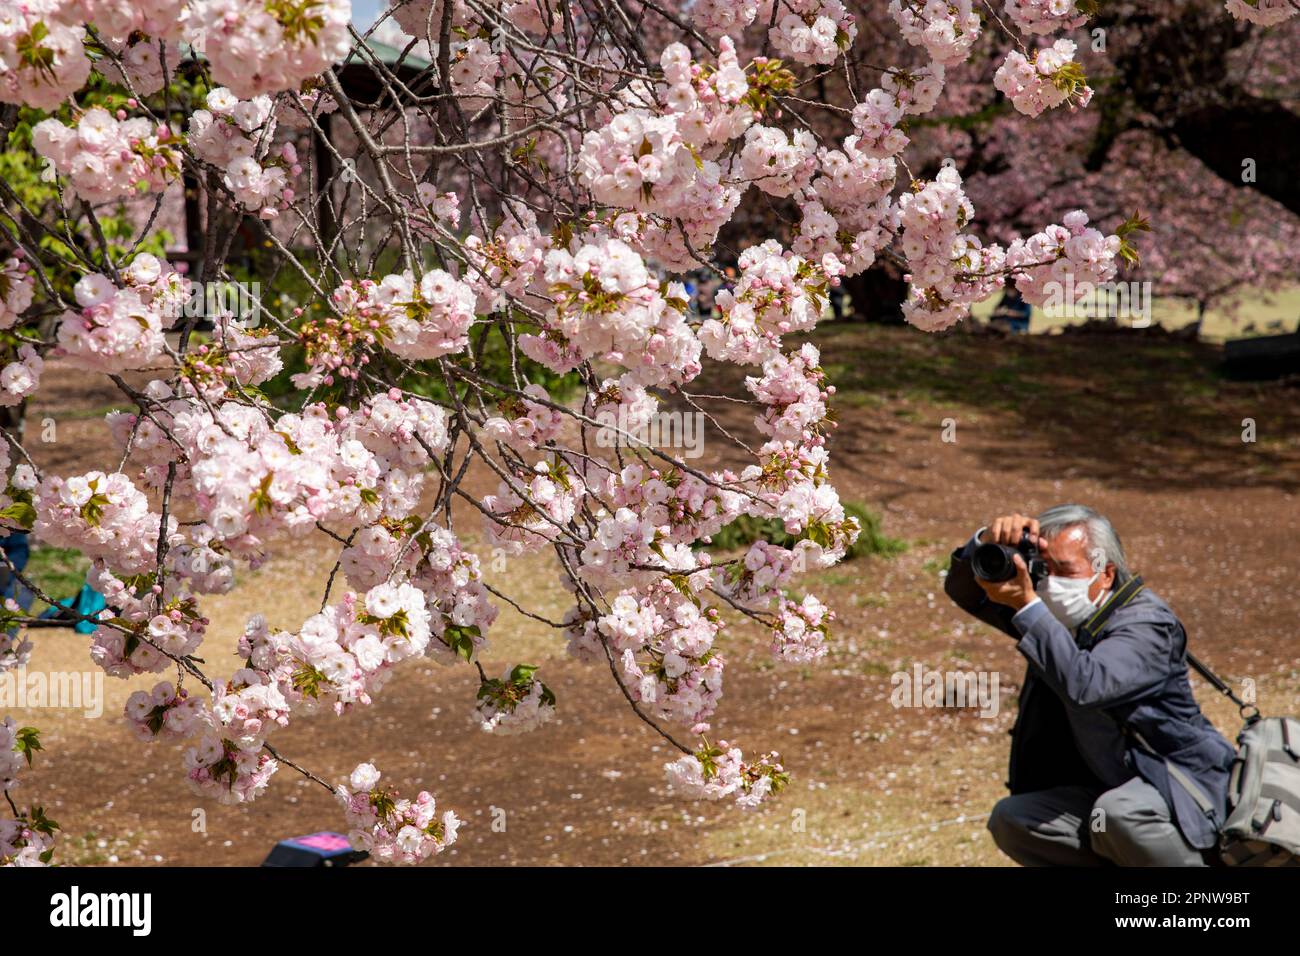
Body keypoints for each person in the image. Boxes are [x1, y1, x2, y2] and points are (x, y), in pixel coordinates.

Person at [943, 505, 1235, 866]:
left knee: (1119, 814)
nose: (1050, 583)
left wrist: (1028, 606)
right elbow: (965, 592)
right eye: (1044, 570)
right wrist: (985, 540)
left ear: (1106, 573)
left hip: (1176, 788)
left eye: (1064, 571)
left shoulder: (1147, 624)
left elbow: (1088, 684)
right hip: (1107, 790)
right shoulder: (1055, 615)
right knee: (1014, 820)